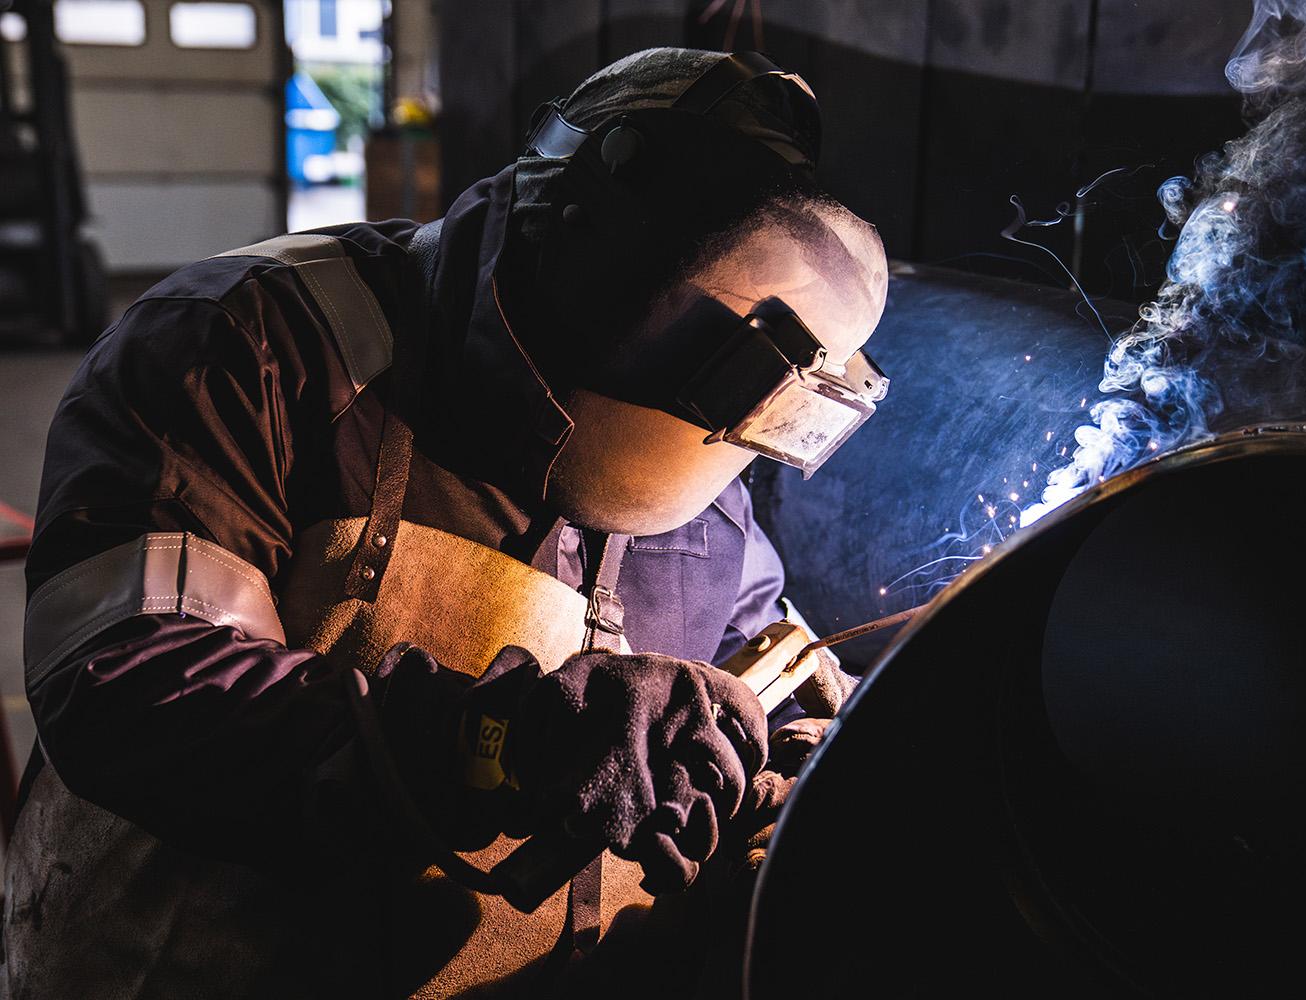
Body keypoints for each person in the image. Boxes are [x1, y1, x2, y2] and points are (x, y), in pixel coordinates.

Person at [2, 47, 889, 999]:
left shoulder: (710, 467)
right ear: (560, 260)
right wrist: (495, 742)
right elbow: (127, 681)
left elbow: (759, 667)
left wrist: (781, 773)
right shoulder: (248, 340)